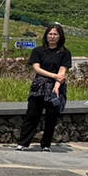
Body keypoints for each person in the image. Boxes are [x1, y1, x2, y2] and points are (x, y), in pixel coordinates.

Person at [16, 24, 71, 152]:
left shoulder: (65, 53)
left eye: (55, 34)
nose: (52, 37)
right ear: (46, 35)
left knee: (52, 116)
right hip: (39, 86)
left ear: (60, 36)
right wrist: (54, 76)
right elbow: (36, 68)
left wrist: (57, 86)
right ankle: (23, 143)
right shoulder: (38, 51)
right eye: (50, 34)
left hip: (55, 86)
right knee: (32, 114)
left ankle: (46, 144)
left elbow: (63, 71)